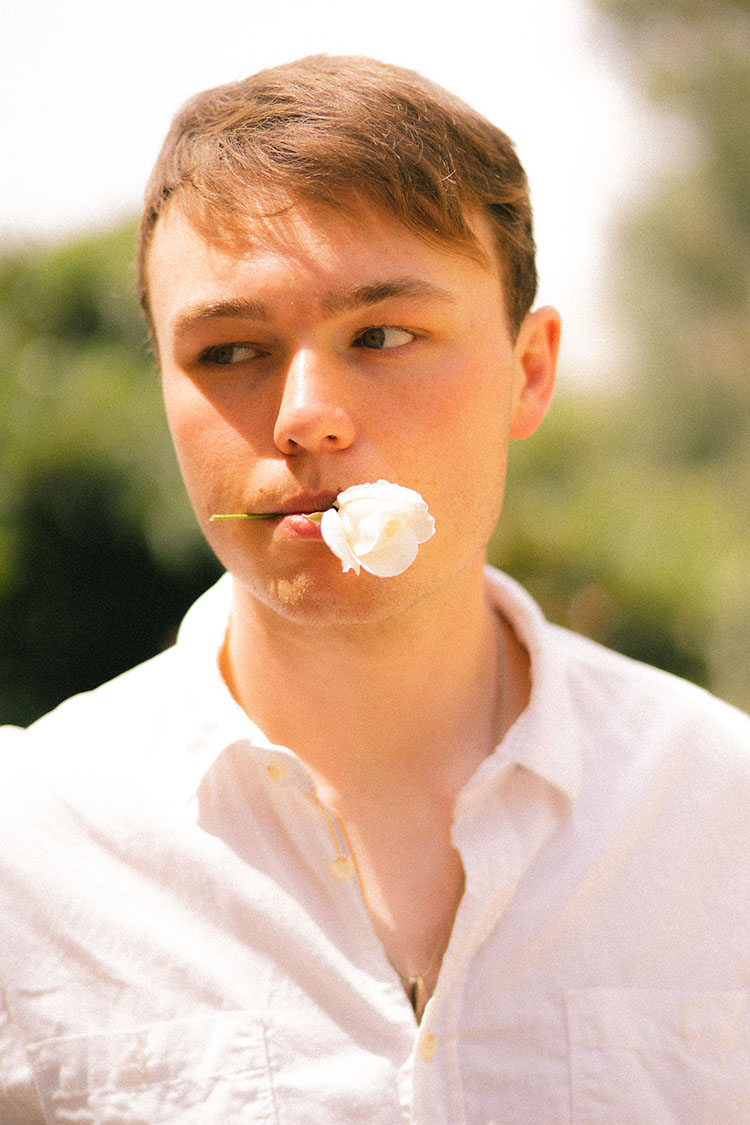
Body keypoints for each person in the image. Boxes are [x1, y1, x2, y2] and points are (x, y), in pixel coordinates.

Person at [1, 54, 749, 1124]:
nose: (306, 413)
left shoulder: (724, 816)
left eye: (383, 335)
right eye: (230, 351)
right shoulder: (29, 850)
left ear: (529, 372)